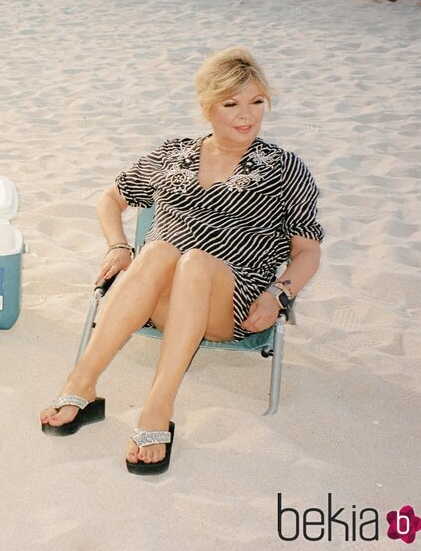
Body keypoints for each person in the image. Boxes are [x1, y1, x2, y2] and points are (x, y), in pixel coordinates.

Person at [39, 47, 323, 474]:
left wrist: (279, 294)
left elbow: (307, 250)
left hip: (228, 303)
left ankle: (157, 406)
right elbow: (110, 199)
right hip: (153, 299)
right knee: (156, 251)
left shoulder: (283, 168)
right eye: (231, 104)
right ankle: (81, 384)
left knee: (192, 261)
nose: (247, 115)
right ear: (208, 107)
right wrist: (118, 247)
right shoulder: (173, 153)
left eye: (256, 102)